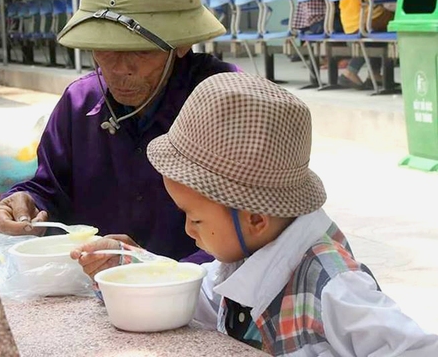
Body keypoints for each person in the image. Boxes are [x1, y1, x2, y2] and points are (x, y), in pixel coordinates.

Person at [72, 73, 438, 356]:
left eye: (195, 219)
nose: (188, 229)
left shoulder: (334, 289)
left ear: (256, 218)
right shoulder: (246, 254)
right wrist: (129, 264)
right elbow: (198, 294)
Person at [0, 0, 241, 262]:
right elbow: (51, 186)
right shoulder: (78, 103)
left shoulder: (229, 101)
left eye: (141, 51)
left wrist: (152, 269)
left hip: (204, 298)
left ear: (182, 43)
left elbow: (256, 231)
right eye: (105, 50)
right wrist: (27, 200)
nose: (120, 68)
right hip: (97, 289)